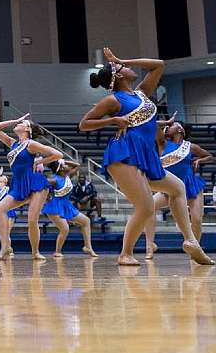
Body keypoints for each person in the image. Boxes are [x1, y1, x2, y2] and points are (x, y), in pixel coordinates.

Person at [79, 48, 212, 266]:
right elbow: (84, 124)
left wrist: (122, 58)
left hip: (146, 155)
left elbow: (158, 64)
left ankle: (190, 241)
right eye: (125, 67)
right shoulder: (113, 100)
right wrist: (112, 121)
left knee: (177, 187)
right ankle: (125, 254)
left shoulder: (141, 92)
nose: (131, 68)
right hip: (124, 153)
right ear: (118, 75)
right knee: (146, 207)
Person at [0, 114, 62, 260]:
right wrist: (15, 121)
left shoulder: (31, 144)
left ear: (27, 129)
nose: (18, 124)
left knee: (31, 220)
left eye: (21, 123)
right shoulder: (13, 143)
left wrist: (40, 160)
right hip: (19, 184)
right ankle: (5, 248)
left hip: (35, 183)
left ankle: (35, 252)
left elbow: (57, 154)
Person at [144, 117, 213, 256]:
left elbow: (211, 156)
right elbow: (152, 124)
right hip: (169, 187)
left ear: (180, 129)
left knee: (197, 220)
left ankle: (195, 249)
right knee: (147, 208)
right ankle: (150, 244)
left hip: (191, 185)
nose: (168, 127)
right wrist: (167, 122)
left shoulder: (190, 146)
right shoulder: (162, 143)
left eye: (172, 125)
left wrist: (199, 160)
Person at [42, 160, 97, 257]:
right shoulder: (54, 180)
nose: (68, 166)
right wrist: (47, 195)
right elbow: (42, 183)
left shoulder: (68, 176)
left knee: (86, 221)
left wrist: (62, 160)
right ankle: (57, 251)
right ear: (61, 168)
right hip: (55, 206)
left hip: (67, 205)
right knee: (65, 229)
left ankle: (88, 247)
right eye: (65, 165)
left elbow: (77, 165)